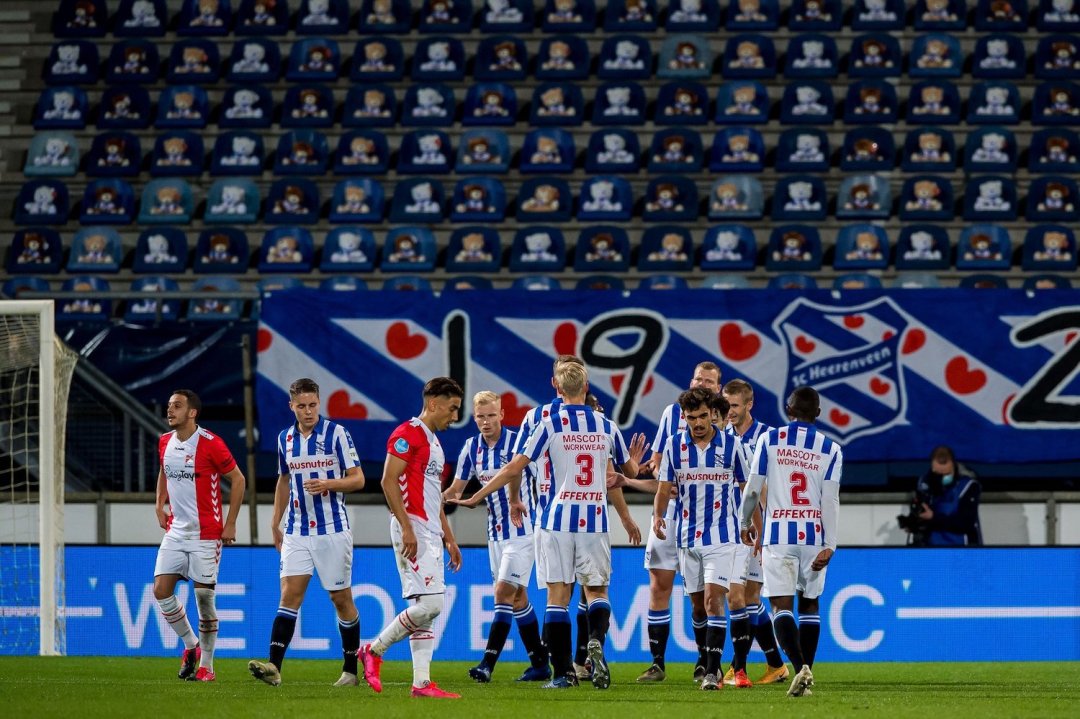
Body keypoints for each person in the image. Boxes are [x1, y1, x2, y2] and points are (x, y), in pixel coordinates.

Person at [454, 359, 640, 690]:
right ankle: (595, 639)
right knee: (596, 591)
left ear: (556, 387)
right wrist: (637, 467)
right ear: (586, 387)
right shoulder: (606, 425)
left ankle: (564, 673)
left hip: (555, 521)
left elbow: (514, 467)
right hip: (594, 519)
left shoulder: (548, 424)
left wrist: (476, 495)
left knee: (557, 597)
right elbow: (629, 473)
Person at [248, 378, 366, 687]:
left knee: (340, 599)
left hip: (332, 529)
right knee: (289, 595)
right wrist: (276, 522)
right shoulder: (284, 439)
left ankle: (351, 670)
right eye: (302, 406)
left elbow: (358, 479)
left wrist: (329, 484)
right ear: (292, 406)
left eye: (313, 405)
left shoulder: (337, 434)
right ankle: (274, 666)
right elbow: (284, 481)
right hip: (296, 530)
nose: (309, 411)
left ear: (319, 403)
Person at [359, 377, 465, 699]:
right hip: (413, 528)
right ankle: (374, 650)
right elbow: (388, 481)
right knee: (432, 603)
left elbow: (435, 497)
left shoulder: (434, 442)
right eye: (452, 408)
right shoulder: (407, 434)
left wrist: (449, 537)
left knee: (426, 608)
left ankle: (421, 684)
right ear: (433, 403)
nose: (454, 416)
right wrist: (406, 527)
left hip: (429, 529)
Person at [740, 386, 842, 698]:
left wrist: (745, 521)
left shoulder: (769, 439)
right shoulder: (831, 449)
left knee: (780, 605)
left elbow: (754, 488)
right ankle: (806, 675)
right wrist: (830, 543)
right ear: (819, 414)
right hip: (813, 536)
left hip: (779, 534)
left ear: (788, 410)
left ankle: (801, 669)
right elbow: (831, 500)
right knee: (810, 603)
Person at [442, 390, 549, 683]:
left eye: (491, 415)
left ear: (502, 414)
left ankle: (487, 663)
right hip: (496, 535)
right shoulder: (470, 448)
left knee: (502, 592)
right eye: (480, 417)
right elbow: (455, 490)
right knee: (517, 598)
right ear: (474, 418)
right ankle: (540, 662)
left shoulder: (519, 443)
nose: (486, 422)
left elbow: (544, 476)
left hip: (524, 530)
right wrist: (428, 502)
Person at [652, 388, 750, 691]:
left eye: (703, 416)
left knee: (713, 600)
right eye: (691, 417)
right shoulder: (673, 445)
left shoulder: (732, 445)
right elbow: (663, 487)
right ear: (684, 417)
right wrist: (658, 517)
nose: (697, 422)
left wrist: (752, 524)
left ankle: (711, 672)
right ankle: (708, 659)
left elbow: (749, 489)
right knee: (697, 607)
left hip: (723, 537)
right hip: (686, 538)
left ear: (713, 414)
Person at [637, 361, 722, 684]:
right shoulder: (672, 414)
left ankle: (704, 660)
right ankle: (657, 663)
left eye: (709, 381)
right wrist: (661, 475)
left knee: (699, 597)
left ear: (717, 388)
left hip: (707, 519)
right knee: (658, 584)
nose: (702, 383)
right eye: (698, 377)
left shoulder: (722, 420)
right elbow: (657, 461)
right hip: (670, 511)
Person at [154, 389, 246, 682]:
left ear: (192, 412)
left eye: (177, 406)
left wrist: (230, 523)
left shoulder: (211, 444)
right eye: (169, 406)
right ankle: (191, 645)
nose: (170, 411)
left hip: (206, 533)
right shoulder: (165, 442)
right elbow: (164, 471)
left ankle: (207, 666)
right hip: (176, 532)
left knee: (204, 600)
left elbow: (239, 479)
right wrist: (159, 502)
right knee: (160, 590)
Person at [721, 379, 788, 686]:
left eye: (734, 405)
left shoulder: (768, 438)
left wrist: (765, 528)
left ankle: (739, 667)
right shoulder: (721, 436)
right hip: (730, 529)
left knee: (747, 596)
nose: (728, 411)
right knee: (746, 599)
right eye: (726, 405)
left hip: (758, 528)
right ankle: (775, 665)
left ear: (749, 405)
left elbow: (769, 487)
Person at [904, 445, 982, 546]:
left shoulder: (968, 486)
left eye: (946, 473)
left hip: (959, 549)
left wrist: (933, 517)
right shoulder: (924, 484)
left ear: (953, 466)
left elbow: (965, 523)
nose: (942, 477)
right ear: (932, 467)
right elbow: (920, 513)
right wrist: (912, 523)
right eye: (938, 473)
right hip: (930, 548)